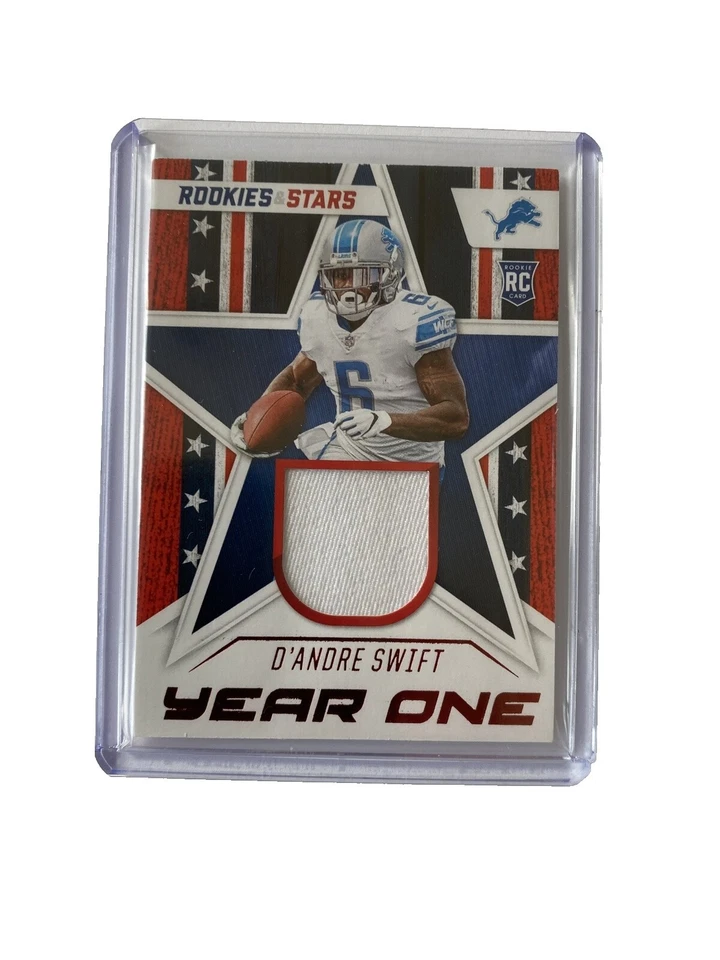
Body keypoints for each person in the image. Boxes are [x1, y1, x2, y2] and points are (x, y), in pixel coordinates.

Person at [231, 219, 468, 464]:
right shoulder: (317, 318)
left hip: (412, 461)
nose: (347, 288)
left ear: (390, 275)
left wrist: (384, 420)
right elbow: (296, 380)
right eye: (339, 276)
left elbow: (455, 417)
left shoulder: (414, 321)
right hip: (347, 450)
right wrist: (256, 416)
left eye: (361, 275)